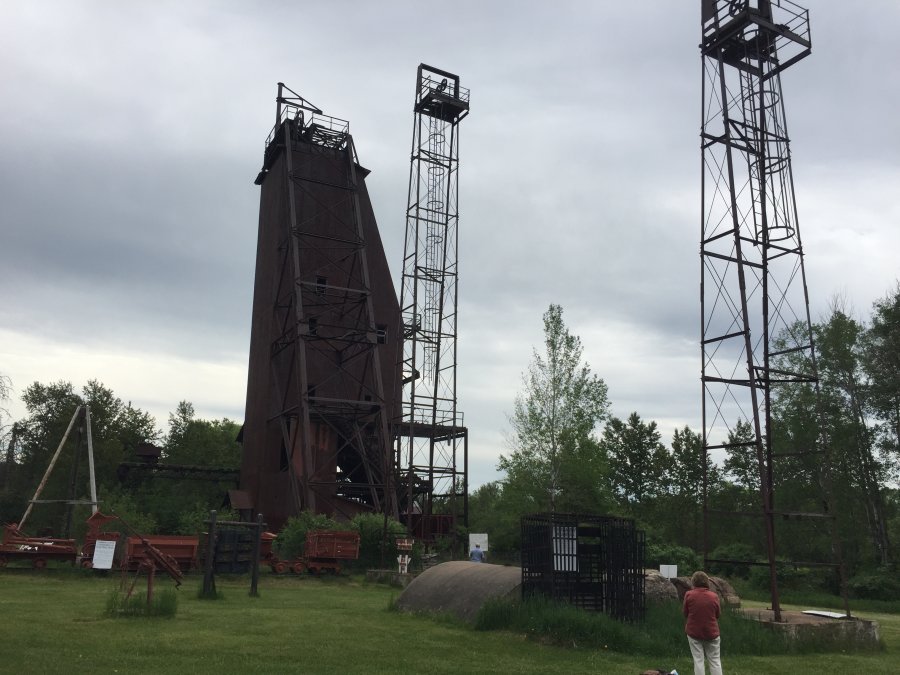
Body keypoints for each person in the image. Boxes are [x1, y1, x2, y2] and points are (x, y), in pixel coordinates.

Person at [683, 570, 722, 675]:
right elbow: (718, 614)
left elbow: (685, 613)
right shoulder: (714, 596)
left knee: (698, 660)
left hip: (694, 632)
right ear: (707, 582)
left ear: (694, 582)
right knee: (715, 660)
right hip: (712, 632)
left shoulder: (689, 594)